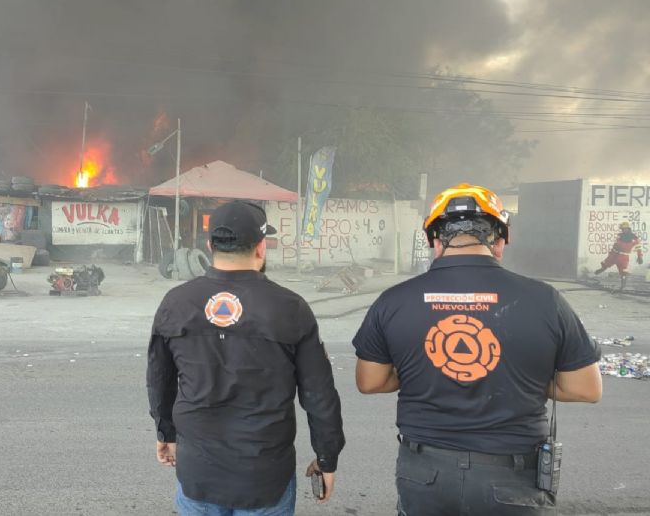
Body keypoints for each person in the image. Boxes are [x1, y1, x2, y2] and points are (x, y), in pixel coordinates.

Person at [352, 183, 602, 515]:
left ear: (435, 242)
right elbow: (586, 388)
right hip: (512, 475)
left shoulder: (393, 300)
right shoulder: (545, 300)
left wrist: (421, 371)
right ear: (499, 242)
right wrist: (517, 379)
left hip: (425, 473)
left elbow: (370, 381)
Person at [147, 200, 345, 515]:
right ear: (261, 247)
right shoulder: (290, 308)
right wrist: (326, 457)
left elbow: (159, 379)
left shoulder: (176, 303)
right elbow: (319, 394)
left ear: (210, 246)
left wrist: (164, 431)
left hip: (199, 472)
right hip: (265, 477)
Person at [593, 221, 643, 290]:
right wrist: (611, 253)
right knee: (606, 264)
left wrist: (640, 256)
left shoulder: (634, 238)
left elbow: (638, 247)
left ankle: (623, 285)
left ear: (628, 229)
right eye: (622, 229)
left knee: (623, 271)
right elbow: (615, 245)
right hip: (614, 254)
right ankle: (599, 271)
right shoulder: (619, 236)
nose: (623, 230)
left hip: (623, 257)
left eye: (625, 229)